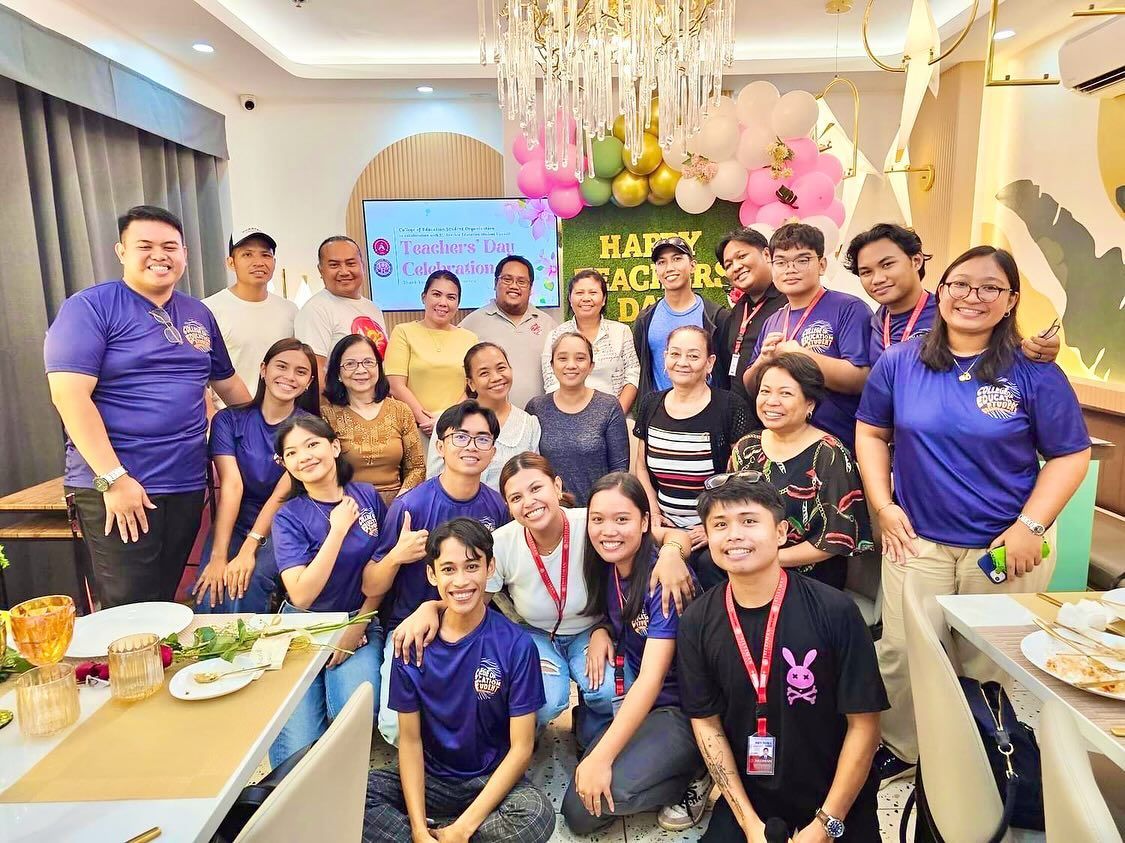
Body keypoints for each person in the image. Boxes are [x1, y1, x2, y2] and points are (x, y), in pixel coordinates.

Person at [855, 245, 1091, 788]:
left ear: (1011, 301)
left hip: (1006, 546)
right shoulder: (901, 361)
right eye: (960, 284)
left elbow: (1069, 454)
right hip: (918, 540)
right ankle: (903, 747)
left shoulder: (1034, 371)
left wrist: (1031, 527)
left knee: (986, 660)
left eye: (990, 287)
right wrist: (884, 506)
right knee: (902, 652)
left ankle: (982, 752)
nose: (972, 296)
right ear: (940, 290)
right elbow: (870, 431)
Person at [391, 454, 694, 739]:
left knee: (609, 692)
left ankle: (590, 725)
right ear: (508, 507)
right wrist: (431, 607)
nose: (529, 502)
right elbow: (473, 599)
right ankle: (523, 743)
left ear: (557, 486)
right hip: (534, 633)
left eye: (536, 488)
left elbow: (667, 534)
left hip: (588, 630)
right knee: (543, 700)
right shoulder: (503, 543)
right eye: (516, 497)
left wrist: (671, 553)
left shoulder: (592, 523)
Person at [44, 205, 251, 608]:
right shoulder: (90, 307)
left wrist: (282, 430)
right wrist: (114, 479)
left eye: (170, 246)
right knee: (128, 609)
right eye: (146, 246)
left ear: (184, 254)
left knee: (164, 602)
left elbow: (228, 385)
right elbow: (69, 396)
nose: (160, 255)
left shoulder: (197, 313)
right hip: (118, 485)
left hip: (185, 483)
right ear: (121, 251)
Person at [677, 475, 887, 842]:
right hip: (753, 799)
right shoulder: (697, 620)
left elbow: (865, 726)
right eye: (720, 525)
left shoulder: (835, 610)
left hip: (836, 793)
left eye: (749, 521)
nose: (734, 535)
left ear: (780, 532)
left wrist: (826, 823)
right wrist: (749, 824)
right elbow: (707, 725)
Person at [363, 518, 555, 843]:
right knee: (355, 796)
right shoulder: (411, 643)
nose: (461, 581)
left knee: (536, 815)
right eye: (448, 569)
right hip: (431, 777)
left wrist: (461, 829)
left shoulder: (516, 645)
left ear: (490, 567)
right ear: (432, 574)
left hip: (487, 777)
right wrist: (418, 829)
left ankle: (453, 834)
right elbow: (409, 741)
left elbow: (522, 748)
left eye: (472, 566)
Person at [561, 472, 709, 835]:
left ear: (645, 522)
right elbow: (620, 617)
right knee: (584, 766)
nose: (608, 530)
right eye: (598, 519)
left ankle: (697, 772)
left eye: (622, 519)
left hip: (680, 710)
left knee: (582, 811)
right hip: (641, 702)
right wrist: (601, 629)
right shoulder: (609, 565)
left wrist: (603, 757)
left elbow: (652, 679)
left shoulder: (664, 580)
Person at [363, 400, 511, 745]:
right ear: (440, 446)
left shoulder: (498, 507)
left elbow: (496, 578)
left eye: (482, 439)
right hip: (411, 626)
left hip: (473, 625)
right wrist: (396, 557)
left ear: (493, 451)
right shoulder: (411, 506)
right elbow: (370, 583)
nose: (471, 446)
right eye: (460, 437)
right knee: (395, 725)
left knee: (487, 713)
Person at [269, 415, 386, 766]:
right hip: (304, 627)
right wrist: (337, 530)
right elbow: (301, 595)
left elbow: (382, 569)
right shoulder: (288, 516)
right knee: (298, 750)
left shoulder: (367, 495)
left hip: (358, 619)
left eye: (312, 444)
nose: (304, 456)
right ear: (285, 464)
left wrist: (358, 625)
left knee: (352, 713)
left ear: (334, 447)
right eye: (292, 453)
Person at [193, 339, 319, 613]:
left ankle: (253, 643)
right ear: (263, 369)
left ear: (309, 382)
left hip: (286, 523)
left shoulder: (309, 428)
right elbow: (232, 486)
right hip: (236, 518)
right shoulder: (228, 420)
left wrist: (250, 548)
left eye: (300, 372)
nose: (289, 376)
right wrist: (218, 556)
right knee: (209, 588)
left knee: (245, 584)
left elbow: (281, 496)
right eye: (281, 366)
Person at [729, 353, 872, 591]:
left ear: (810, 404)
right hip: (748, 564)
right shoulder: (748, 446)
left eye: (785, 393)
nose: (772, 401)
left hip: (808, 578)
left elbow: (835, 539)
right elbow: (730, 510)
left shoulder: (829, 453)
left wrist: (768, 560)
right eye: (765, 391)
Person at [634, 326, 753, 589]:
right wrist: (654, 512)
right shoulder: (651, 404)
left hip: (712, 533)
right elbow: (641, 467)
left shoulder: (729, 407)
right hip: (663, 528)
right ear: (665, 358)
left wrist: (715, 525)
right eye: (675, 354)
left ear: (709, 362)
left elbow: (741, 479)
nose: (682, 362)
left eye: (693, 355)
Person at [844, 222, 1061, 366]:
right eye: (866, 272)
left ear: (916, 260)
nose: (878, 278)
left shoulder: (953, 312)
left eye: (887, 264)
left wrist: (1041, 350)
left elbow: (1004, 346)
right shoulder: (876, 321)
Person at [748, 223, 872, 452]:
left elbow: (860, 379)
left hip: (838, 447)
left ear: (822, 265)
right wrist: (762, 362)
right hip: (785, 448)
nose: (791, 269)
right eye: (781, 262)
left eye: (802, 260)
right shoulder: (773, 320)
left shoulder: (849, 309)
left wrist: (801, 355)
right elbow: (750, 386)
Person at [320, 335, 425, 506]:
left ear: (378, 367)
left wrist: (399, 504)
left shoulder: (400, 410)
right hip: (348, 506)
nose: (361, 370)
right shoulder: (327, 415)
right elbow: (324, 471)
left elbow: (417, 468)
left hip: (399, 503)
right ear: (338, 373)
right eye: (350, 364)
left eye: (368, 362)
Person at [527, 333, 629, 506]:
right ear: (551, 365)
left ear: (591, 366)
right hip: (551, 512)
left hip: (597, 511)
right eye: (562, 358)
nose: (571, 365)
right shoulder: (537, 407)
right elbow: (530, 468)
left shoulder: (608, 406)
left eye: (580, 358)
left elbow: (619, 470)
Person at [426, 342, 542, 491]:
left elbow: (534, 478)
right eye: (484, 373)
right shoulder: (450, 421)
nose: (496, 377)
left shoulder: (529, 424)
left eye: (501, 368)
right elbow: (433, 479)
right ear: (471, 383)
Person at [202, 227, 297, 404]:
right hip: (230, 414)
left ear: (274, 262)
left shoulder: (290, 310)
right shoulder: (208, 309)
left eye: (265, 255)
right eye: (247, 255)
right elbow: (199, 374)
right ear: (231, 263)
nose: (258, 262)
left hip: (280, 413)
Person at [632, 237, 730, 404]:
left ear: (692, 265)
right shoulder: (645, 319)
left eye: (677, 259)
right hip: (659, 412)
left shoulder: (716, 317)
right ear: (656, 271)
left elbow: (725, 370)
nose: (669, 268)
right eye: (661, 262)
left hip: (708, 410)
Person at [384, 270, 477, 439]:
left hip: (458, 428)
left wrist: (446, 422)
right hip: (415, 428)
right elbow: (396, 386)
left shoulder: (470, 338)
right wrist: (426, 421)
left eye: (451, 297)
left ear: (458, 303)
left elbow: (472, 387)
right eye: (436, 294)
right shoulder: (403, 332)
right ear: (423, 297)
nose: (443, 302)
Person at [460, 255, 558, 409]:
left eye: (521, 281)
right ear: (495, 283)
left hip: (541, 417)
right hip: (489, 418)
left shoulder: (549, 325)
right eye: (507, 279)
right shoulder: (471, 324)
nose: (514, 286)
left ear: (531, 288)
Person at [296, 235, 389, 389]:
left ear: (362, 266)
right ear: (321, 270)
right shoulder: (316, 309)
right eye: (334, 265)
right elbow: (315, 371)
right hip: (340, 402)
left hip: (372, 400)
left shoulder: (373, 308)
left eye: (351, 263)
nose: (344, 271)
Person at [542, 269, 641, 414]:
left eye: (593, 293)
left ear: (604, 299)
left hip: (617, 415)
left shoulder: (621, 332)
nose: (586, 298)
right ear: (570, 299)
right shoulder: (555, 335)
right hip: (568, 418)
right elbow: (551, 382)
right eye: (579, 293)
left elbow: (633, 375)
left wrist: (616, 415)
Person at [716, 228, 785, 407]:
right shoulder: (739, 309)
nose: (736, 267)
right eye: (728, 265)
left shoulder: (789, 301)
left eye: (741, 256)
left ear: (766, 254)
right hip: (740, 412)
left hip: (775, 411)